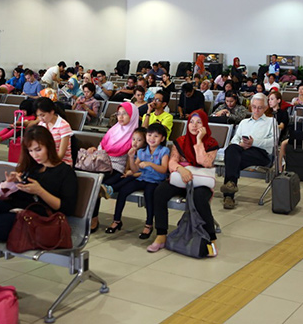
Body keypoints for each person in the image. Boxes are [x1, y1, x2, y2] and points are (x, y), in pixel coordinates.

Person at [0, 126, 77, 285]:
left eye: (38, 150)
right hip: (17, 211)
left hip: (37, 219)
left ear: (49, 145)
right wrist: (8, 184)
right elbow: (15, 197)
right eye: (31, 151)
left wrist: (40, 191)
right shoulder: (31, 168)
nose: (35, 155)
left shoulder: (65, 172)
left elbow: (66, 207)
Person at [148, 109, 219, 255]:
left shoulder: (211, 143)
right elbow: (172, 162)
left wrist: (199, 141)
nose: (194, 125)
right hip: (181, 178)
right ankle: (161, 235)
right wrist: (181, 170)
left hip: (201, 182)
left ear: (204, 125)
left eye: (199, 122)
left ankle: (211, 238)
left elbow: (204, 162)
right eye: (191, 122)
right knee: (160, 192)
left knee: (199, 198)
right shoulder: (180, 141)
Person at [106, 123, 169, 239]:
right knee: (123, 191)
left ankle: (149, 224)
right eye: (150, 135)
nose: (152, 138)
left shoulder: (163, 151)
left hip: (155, 181)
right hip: (142, 178)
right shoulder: (142, 151)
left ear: (162, 138)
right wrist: (131, 157)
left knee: (149, 194)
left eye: (156, 136)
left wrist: (150, 164)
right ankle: (117, 220)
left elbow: (164, 169)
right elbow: (135, 169)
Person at [89, 102, 139, 232]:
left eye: (125, 114)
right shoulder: (114, 129)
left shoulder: (135, 135)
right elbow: (102, 146)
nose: (121, 117)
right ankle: (88, 216)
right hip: (102, 163)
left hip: (116, 168)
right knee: (91, 180)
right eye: (119, 114)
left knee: (95, 183)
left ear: (132, 116)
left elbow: (132, 158)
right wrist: (95, 151)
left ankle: (93, 219)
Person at [221, 93, 275, 209]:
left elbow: (273, 143)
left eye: (260, 107)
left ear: (265, 108)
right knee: (231, 149)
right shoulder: (244, 122)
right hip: (242, 150)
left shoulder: (271, 122)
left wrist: (253, 143)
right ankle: (230, 188)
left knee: (232, 158)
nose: (256, 110)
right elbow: (235, 139)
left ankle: (229, 194)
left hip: (261, 153)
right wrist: (240, 144)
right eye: (254, 107)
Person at [36, 97, 73, 166]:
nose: (41, 119)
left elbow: (61, 155)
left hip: (61, 164)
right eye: (38, 116)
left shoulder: (63, 125)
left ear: (52, 112)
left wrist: (47, 165)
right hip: (45, 161)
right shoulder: (41, 124)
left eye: (43, 115)